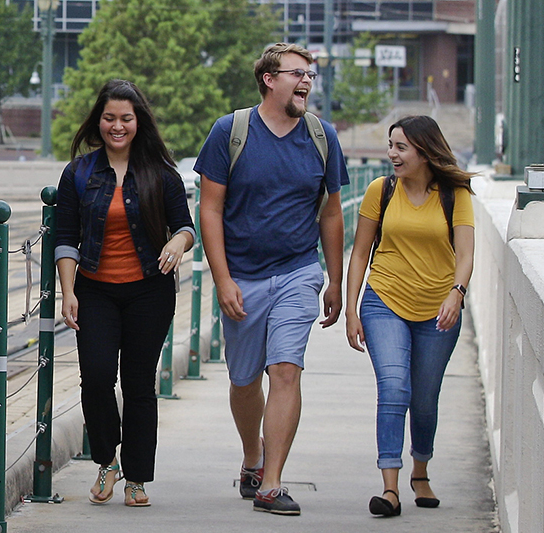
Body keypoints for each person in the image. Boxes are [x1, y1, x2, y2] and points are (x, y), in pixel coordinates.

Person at [193, 42, 349, 516]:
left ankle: (272, 483)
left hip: (299, 271)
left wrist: (335, 281)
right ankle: (252, 458)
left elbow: (332, 213)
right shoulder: (231, 132)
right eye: (297, 73)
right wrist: (222, 279)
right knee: (244, 382)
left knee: (285, 370)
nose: (306, 82)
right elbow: (210, 209)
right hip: (242, 276)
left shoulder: (322, 137)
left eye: (311, 75)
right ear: (269, 79)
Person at [53, 79, 195, 508]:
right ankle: (106, 460)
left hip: (148, 294)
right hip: (94, 290)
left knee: (138, 385)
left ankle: (137, 477)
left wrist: (177, 241)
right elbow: (64, 237)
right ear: (99, 120)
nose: (118, 126)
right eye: (110, 118)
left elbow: (186, 226)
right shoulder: (78, 173)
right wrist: (68, 290)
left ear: (139, 122)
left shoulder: (161, 174)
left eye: (126, 119)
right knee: (96, 378)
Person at [343, 115, 475, 517]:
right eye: (390, 146)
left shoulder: (455, 193)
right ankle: (390, 487)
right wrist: (351, 308)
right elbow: (361, 253)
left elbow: (466, 253)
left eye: (401, 147)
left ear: (424, 151)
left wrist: (457, 293)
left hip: (439, 309)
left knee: (424, 399)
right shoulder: (380, 191)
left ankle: (421, 470)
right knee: (395, 388)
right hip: (385, 300)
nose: (392, 155)